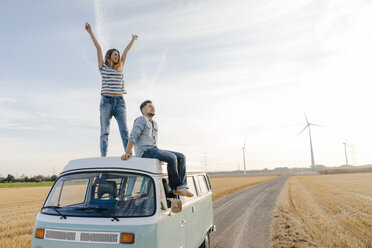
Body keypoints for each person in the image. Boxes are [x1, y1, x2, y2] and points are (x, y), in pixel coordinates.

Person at [85, 22, 138, 157]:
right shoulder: (103, 67)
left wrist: (132, 40)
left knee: (124, 130)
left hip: (120, 102)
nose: (118, 56)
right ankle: (103, 157)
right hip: (106, 101)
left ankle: (128, 155)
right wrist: (90, 32)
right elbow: (98, 48)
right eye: (115, 54)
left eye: (118, 55)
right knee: (104, 131)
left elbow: (126, 51)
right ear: (109, 56)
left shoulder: (121, 67)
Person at [121, 100, 194, 197]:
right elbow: (133, 136)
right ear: (143, 110)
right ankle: (175, 188)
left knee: (181, 156)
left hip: (154, 149)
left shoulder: (155, 123)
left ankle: (181, 186)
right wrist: (127, 153)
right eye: (149, 106)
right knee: (171, 157)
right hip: (145, 152)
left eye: (153, 106)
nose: (153, 107)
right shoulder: (141, 119)